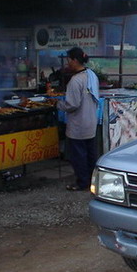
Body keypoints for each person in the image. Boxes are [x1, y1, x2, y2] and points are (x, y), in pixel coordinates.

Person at [57, 47, 99, 191]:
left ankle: (82, 182)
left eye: (69, 60)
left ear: (75, 60)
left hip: (78, 124)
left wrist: (58, 104)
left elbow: (72, 104)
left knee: (79, 156)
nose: (68, 63)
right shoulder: (91, 75)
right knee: (90, 154)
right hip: (91, 121)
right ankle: (93, 180)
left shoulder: (75, 80)